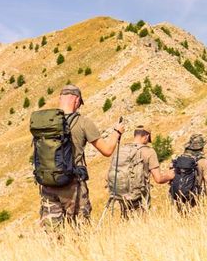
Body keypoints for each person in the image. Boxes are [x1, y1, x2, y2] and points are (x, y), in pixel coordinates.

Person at [38, 85, 125, 227]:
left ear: (60, 99)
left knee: (52, 236)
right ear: (77, 100)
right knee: (80, 231)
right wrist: (117, 132)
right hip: (72, 185)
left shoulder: (45, 122)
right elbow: (107, 150)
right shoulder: (83, 122)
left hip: (47, 184)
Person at [107, 125, 174, 218]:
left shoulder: (122, 149)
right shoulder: (149, 151)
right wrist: (170, 175)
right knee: (140, 222)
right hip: (139, 197)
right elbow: (158, 179)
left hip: (122, 194)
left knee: (126, 219)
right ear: (146, 136)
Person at [169, 134, 207, 210]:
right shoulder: (203, 162)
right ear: (202, 147)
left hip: (178, 196)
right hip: (194, 198)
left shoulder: (179, 160)